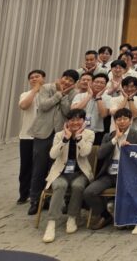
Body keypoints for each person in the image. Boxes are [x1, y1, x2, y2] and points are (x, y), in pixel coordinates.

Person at [84, 107, 137, 231]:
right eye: (119, 119)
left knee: (131, 190)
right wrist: (115, 139)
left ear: (130, 120)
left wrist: (131, 149)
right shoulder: (108, 136)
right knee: (89, 192)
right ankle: (105, 215)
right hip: (108, 174)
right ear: (115, 121)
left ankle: (126, 217)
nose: (122, 121)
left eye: (125, 119)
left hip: (127, 175)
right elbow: (100, 155)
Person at [28, 69, 79, 216]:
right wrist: (59, 93)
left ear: (74, 83)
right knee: (38, 168)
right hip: (42, 133)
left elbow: (68, 112)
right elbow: (44, 106)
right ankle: (35, 200)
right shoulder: (46, 88)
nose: (67, 82)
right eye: (65, 78)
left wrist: (63, 95)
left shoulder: (74, 93)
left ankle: (50, 199)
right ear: (60, 77)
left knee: (55, 168)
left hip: (60, 134)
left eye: (71, 80)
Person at [41, 109, 95, 243]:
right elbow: (52, 155)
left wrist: (78, 138)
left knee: (78, 186)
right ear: (67, 122)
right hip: (61, 172)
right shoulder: (59, 135)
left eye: (78, 120)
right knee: (60, 185)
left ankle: (72, 217)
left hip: (80, 172)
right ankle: (51, 223)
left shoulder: (89, 134)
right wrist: (65, 139)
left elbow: (85, 152)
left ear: (83, 121)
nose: (75, 123)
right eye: (72, 120)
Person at [17, 69, 45, 205]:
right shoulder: (25, 94)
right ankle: (24, 194)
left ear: (43, 78)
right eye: (32, 77)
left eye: (37, 76)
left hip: (44, 135)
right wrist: (34, 90)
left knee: (41, 167)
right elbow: (23, 106)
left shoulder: (48, 93)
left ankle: (39, 194)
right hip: (27, 136)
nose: (34, 79)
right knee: (26, 166)